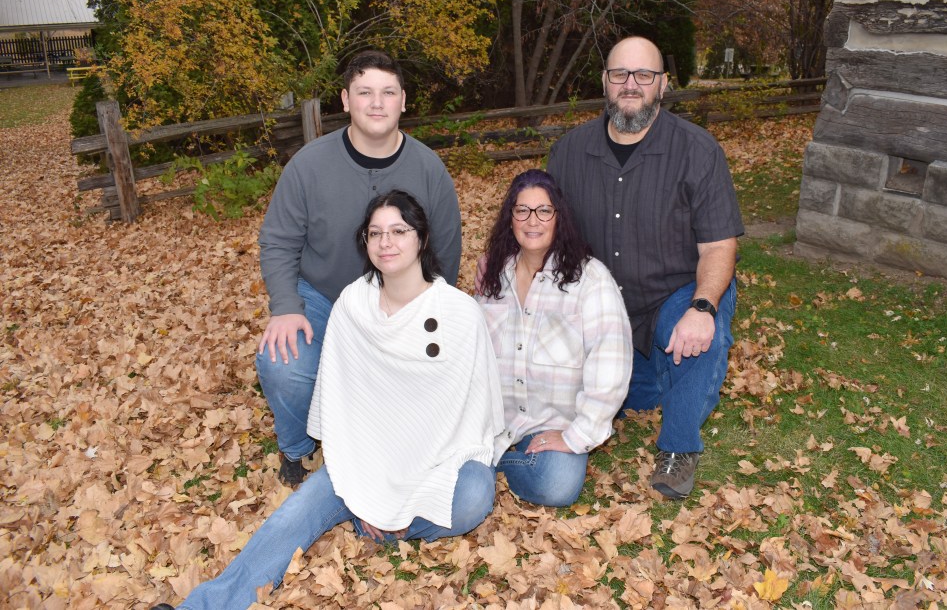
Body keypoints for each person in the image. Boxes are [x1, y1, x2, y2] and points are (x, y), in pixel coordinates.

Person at [152, 191, 503, 610]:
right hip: (363, 459)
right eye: (375, 233)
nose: (386, 242)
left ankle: (392, 523)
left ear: (422, 239)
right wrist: (367, 489)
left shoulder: (458, 312)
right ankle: (202, 606)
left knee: (474, 495)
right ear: (364, 242)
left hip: (434, 460)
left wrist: (400, 503)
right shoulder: (354, 304)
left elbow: (466, 417)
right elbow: (342, 407)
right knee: (291, 518)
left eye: (398, 231)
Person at [546, 36, 744, 500]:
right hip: (603, 309)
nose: (630, 84)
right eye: (620, 74)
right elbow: (542, 230)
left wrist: (702, 305)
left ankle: (678, 449)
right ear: (605, 82)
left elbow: (719, 246)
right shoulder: (569, 152)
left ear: (662, 85)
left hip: (674, 295)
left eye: (644, 75)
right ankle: (651, 380)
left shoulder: (697, 151)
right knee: (637, 396)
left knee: (698, 336)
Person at [256, 50, 462, 485]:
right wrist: (287, 305)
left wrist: (430, 313)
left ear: (404, 101)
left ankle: (392, 448)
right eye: (364, 92)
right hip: (321, 298)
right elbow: (278, 240)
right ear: (345, 100)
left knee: (412, 375)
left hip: (399, 303)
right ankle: (299, 451)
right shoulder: (309, 165)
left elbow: (445, 249)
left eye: (388, 92)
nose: (376, 102)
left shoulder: (428, 168)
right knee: (283, 363)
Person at [475, 169, 631, 507]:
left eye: (544, 211)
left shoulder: (590, 279)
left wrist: (577, 436)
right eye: (522, 210)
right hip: (494, 421)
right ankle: (481, 464)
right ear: (510, 217)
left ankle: (486, 467)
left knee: (556, 485)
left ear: (559, 218)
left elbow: (611, 363)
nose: (533, 220)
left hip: (551, 423)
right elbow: (472, 348)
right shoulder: (492, 273)